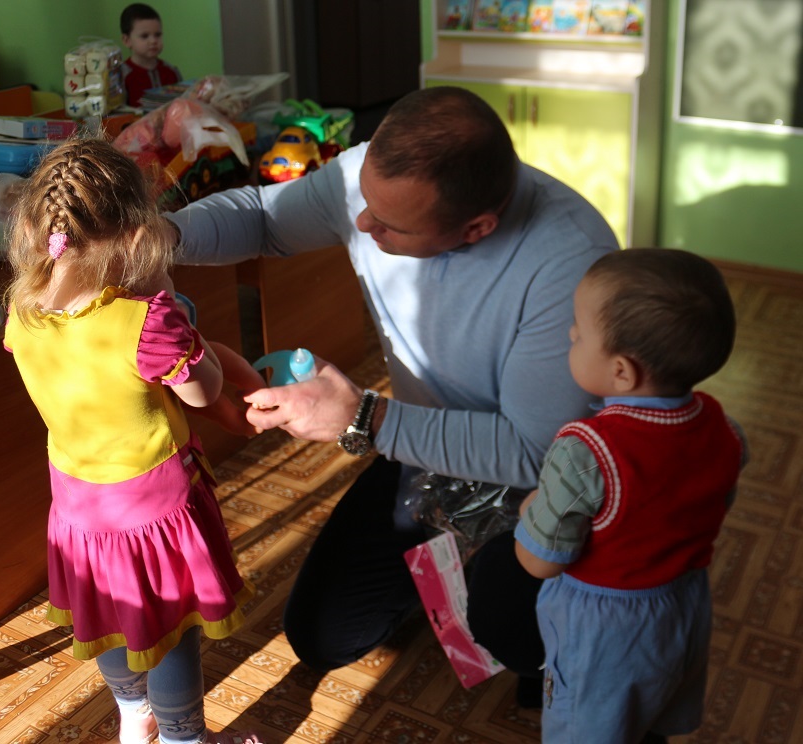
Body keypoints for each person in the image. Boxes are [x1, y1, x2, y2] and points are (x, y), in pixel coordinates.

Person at [165, 85, 619, 703]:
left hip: (539, 486)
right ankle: (450, 572)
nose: (360, 223)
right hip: (421, 448)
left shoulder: (570, 263)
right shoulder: (367, 179)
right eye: (364, 202)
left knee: (521, 646)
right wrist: (163, 236)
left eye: (389, 225)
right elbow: (265, 218)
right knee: (321, 637)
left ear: (476, 228)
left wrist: (365, 419)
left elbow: (535, 451)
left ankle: (514, 613)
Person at [3, 138, 263, 744]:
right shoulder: (148, 323)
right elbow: (206, 390)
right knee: (171, 631)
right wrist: (167, 302)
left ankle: (132, 713)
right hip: (156, 514)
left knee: (111, 613)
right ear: (136, 236)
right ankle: (182, 738)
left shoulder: (22, 313)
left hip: (79, 510)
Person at [514, 248, 747, 743]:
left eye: (579, 332)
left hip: (604, 629)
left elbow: (540, 562)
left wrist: (530, 507)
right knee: (651, 706)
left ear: (622, 371)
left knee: (589, 724)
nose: (570, 335)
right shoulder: (724, 427)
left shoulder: (585, 450)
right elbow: (712, 505)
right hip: (683, 604)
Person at [120, 3, 182, 107]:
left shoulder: (171, 71)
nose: (153, 41)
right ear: (126, 40)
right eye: (144, 36)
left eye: (157, 35)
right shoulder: (121, 77)